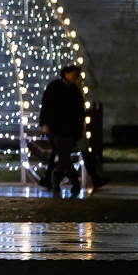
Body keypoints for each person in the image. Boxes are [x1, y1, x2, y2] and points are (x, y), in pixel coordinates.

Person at [38, 65, 101, 196]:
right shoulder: (55, 87)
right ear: (66, 73)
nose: (75, 77)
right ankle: (73, 183)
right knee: (64, 155)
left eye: (76, 75)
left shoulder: (74, 90)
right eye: (73, 74)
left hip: (70, 130)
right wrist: (45, 123)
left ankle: (53, 181)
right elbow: (47, 105)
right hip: (57, 128)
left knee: (63, 156)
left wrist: (78, 128)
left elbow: (79, 111)